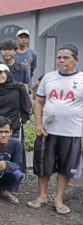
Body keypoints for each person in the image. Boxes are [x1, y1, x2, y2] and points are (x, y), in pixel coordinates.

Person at [28, 44, 83, 215]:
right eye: (59, 57)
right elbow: (38, 101)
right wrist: (38, 124)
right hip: (48, 130)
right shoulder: (49, 78)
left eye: (66, 57)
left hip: (72, 131)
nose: (61, 61)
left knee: (67, 167)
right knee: (43, 164)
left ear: (76, 60)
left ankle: (58, 199)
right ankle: (42, 195)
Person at [0, 64, 31, 138]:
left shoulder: (19, 88)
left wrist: (21, 120)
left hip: (14, 128)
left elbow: (26, 105)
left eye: (1, 73)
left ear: (7, 73)